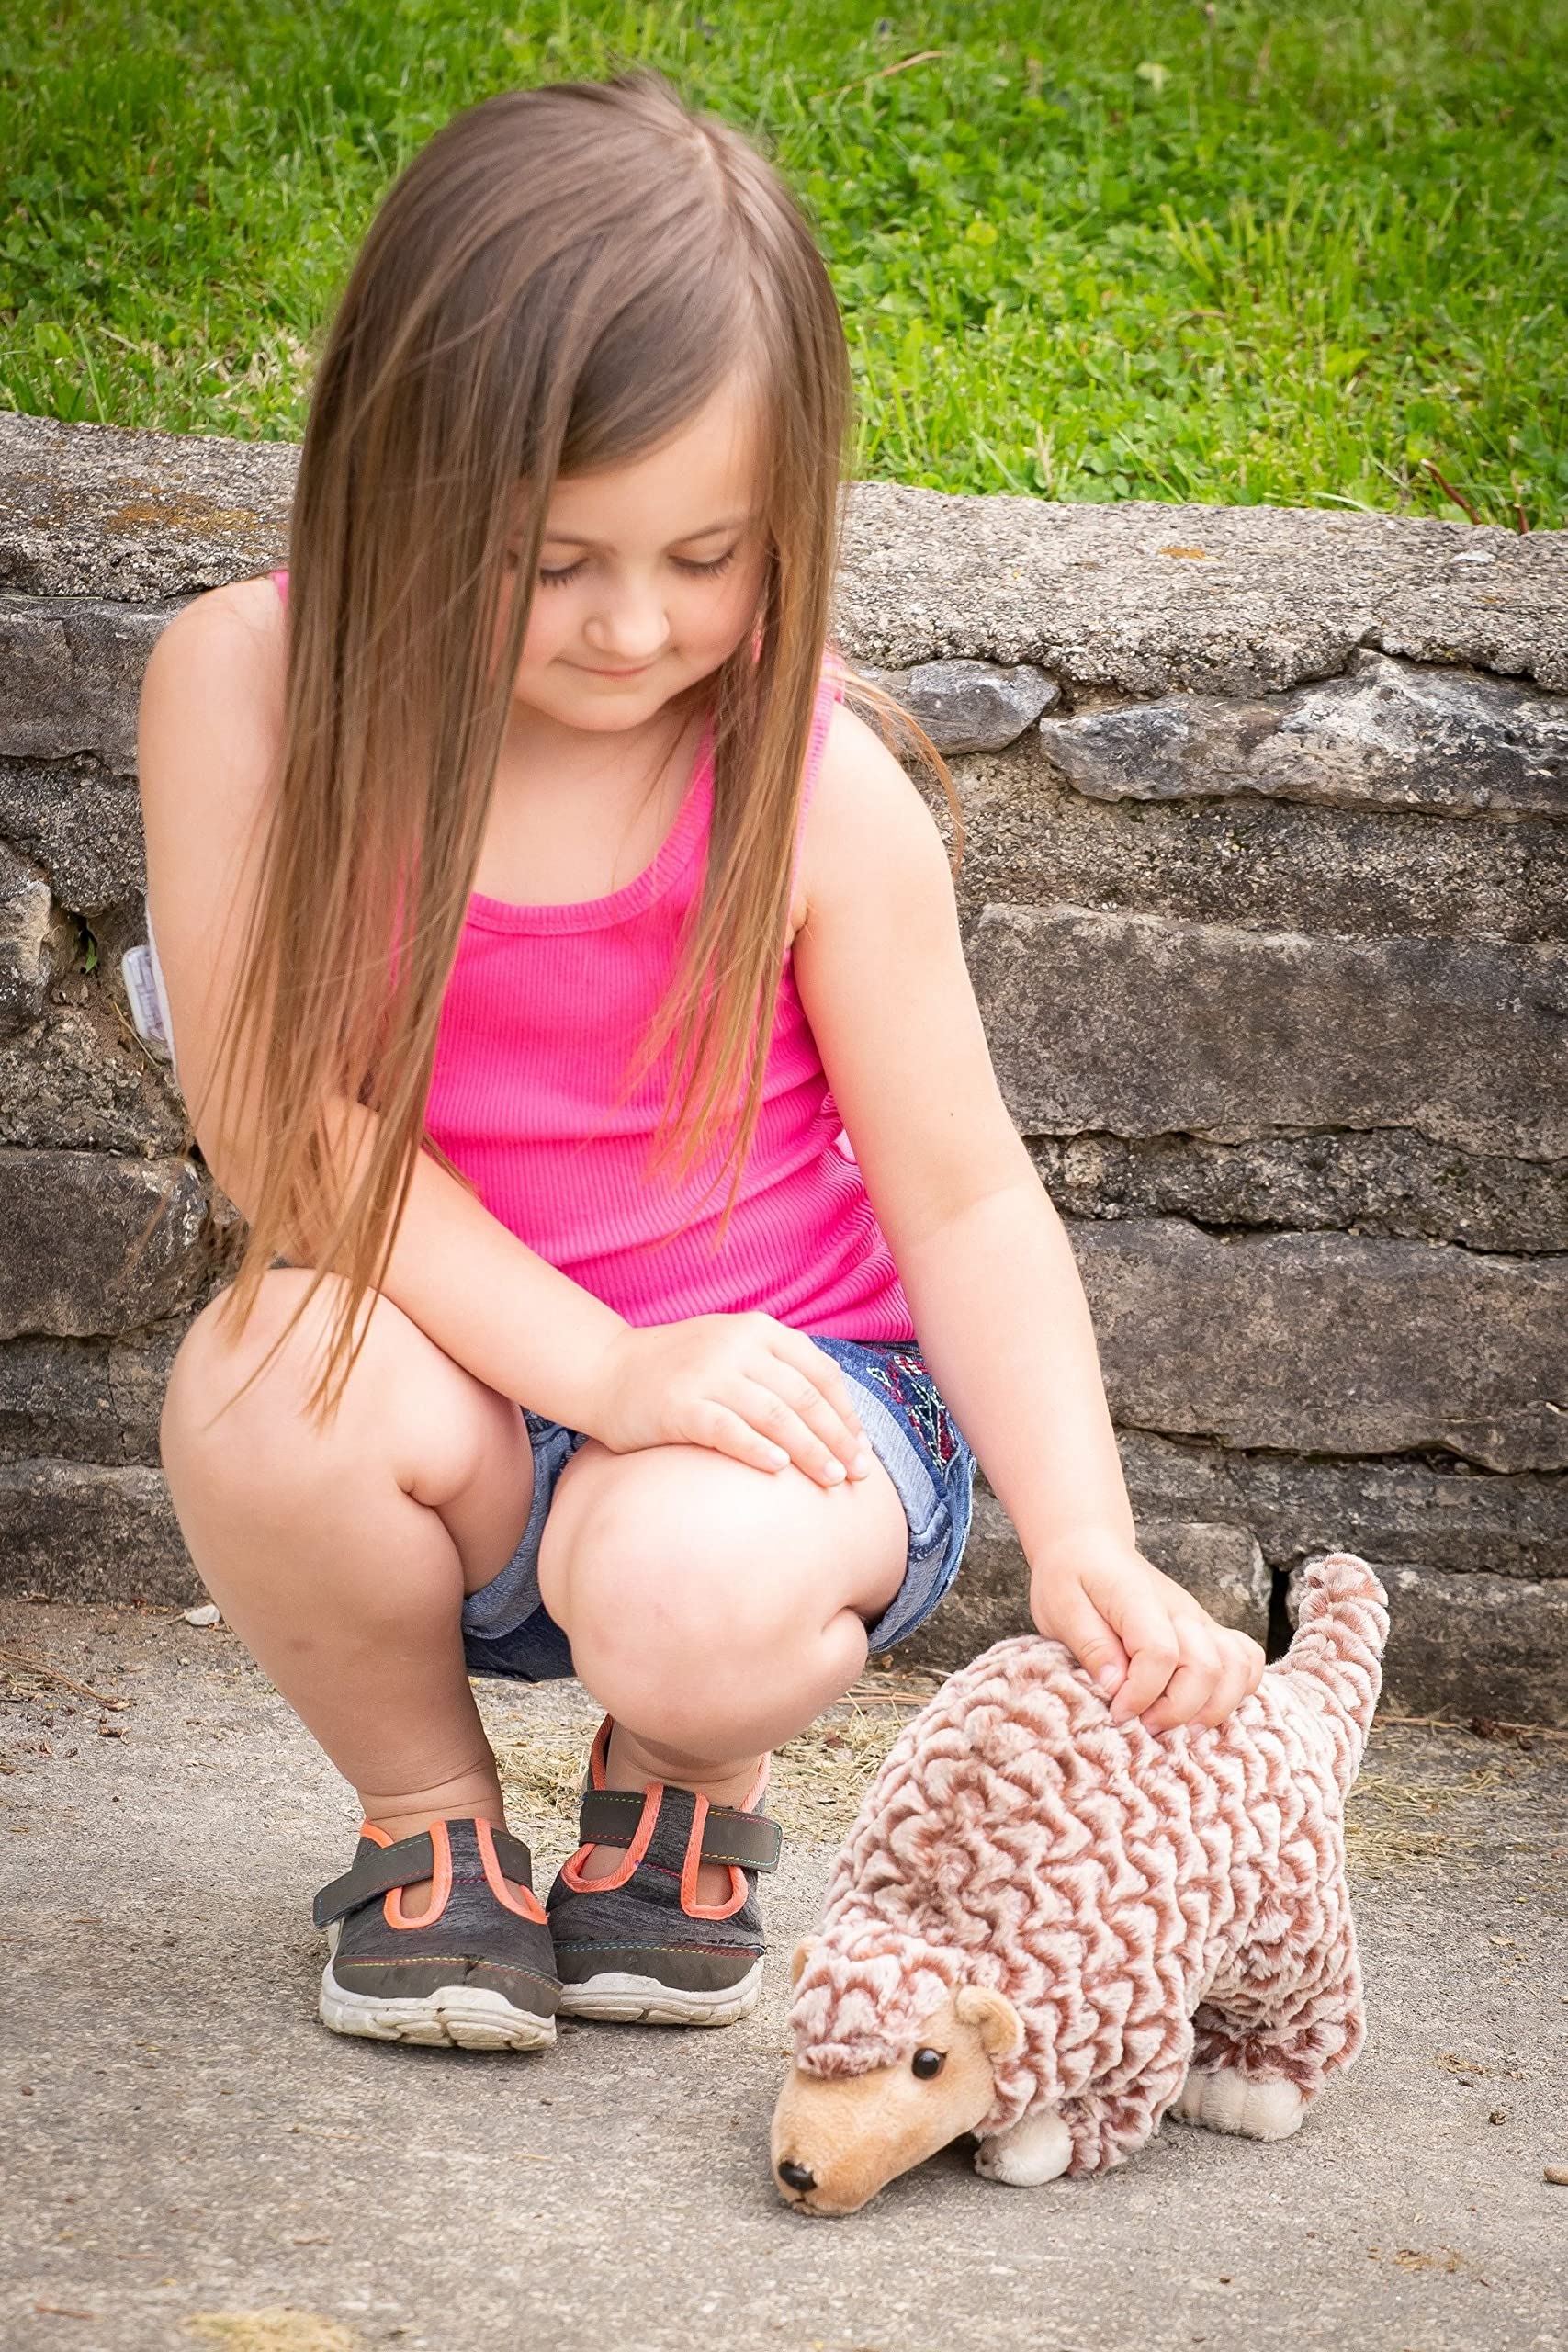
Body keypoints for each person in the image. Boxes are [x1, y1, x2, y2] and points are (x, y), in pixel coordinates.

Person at [137, 69, 1265, 2057]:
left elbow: (962, 1187)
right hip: (462, 1397)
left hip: (779, 1419)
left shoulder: (810, 783)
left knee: (687, 1587)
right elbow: (281, 1133)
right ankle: (432, 1831)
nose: (631, 624)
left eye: (704, 553)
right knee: (250, 1389)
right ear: (395, 471)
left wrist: (1078, 1529)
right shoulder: (245, 686)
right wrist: (593, 1366)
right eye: (550, 554)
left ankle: (674, 1776)